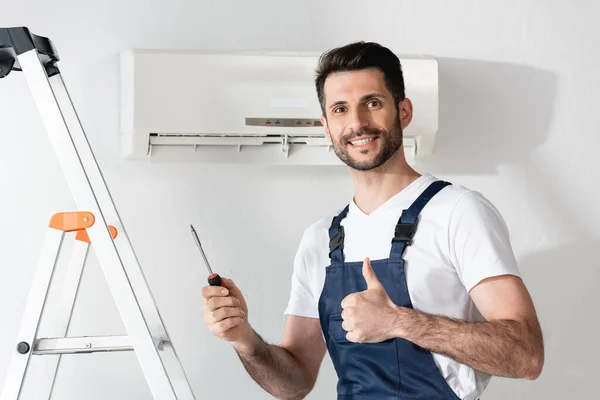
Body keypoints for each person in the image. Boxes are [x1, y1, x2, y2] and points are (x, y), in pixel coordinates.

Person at [201, 41, 544, 400]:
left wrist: (399, 322)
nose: (357, 123)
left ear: (404, 111)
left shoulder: (458, 211)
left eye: (373, 103)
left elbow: (526, 356)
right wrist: (243, 338)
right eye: (340, 109)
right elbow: (294, 383)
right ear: (326, 127)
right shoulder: (321, 239)